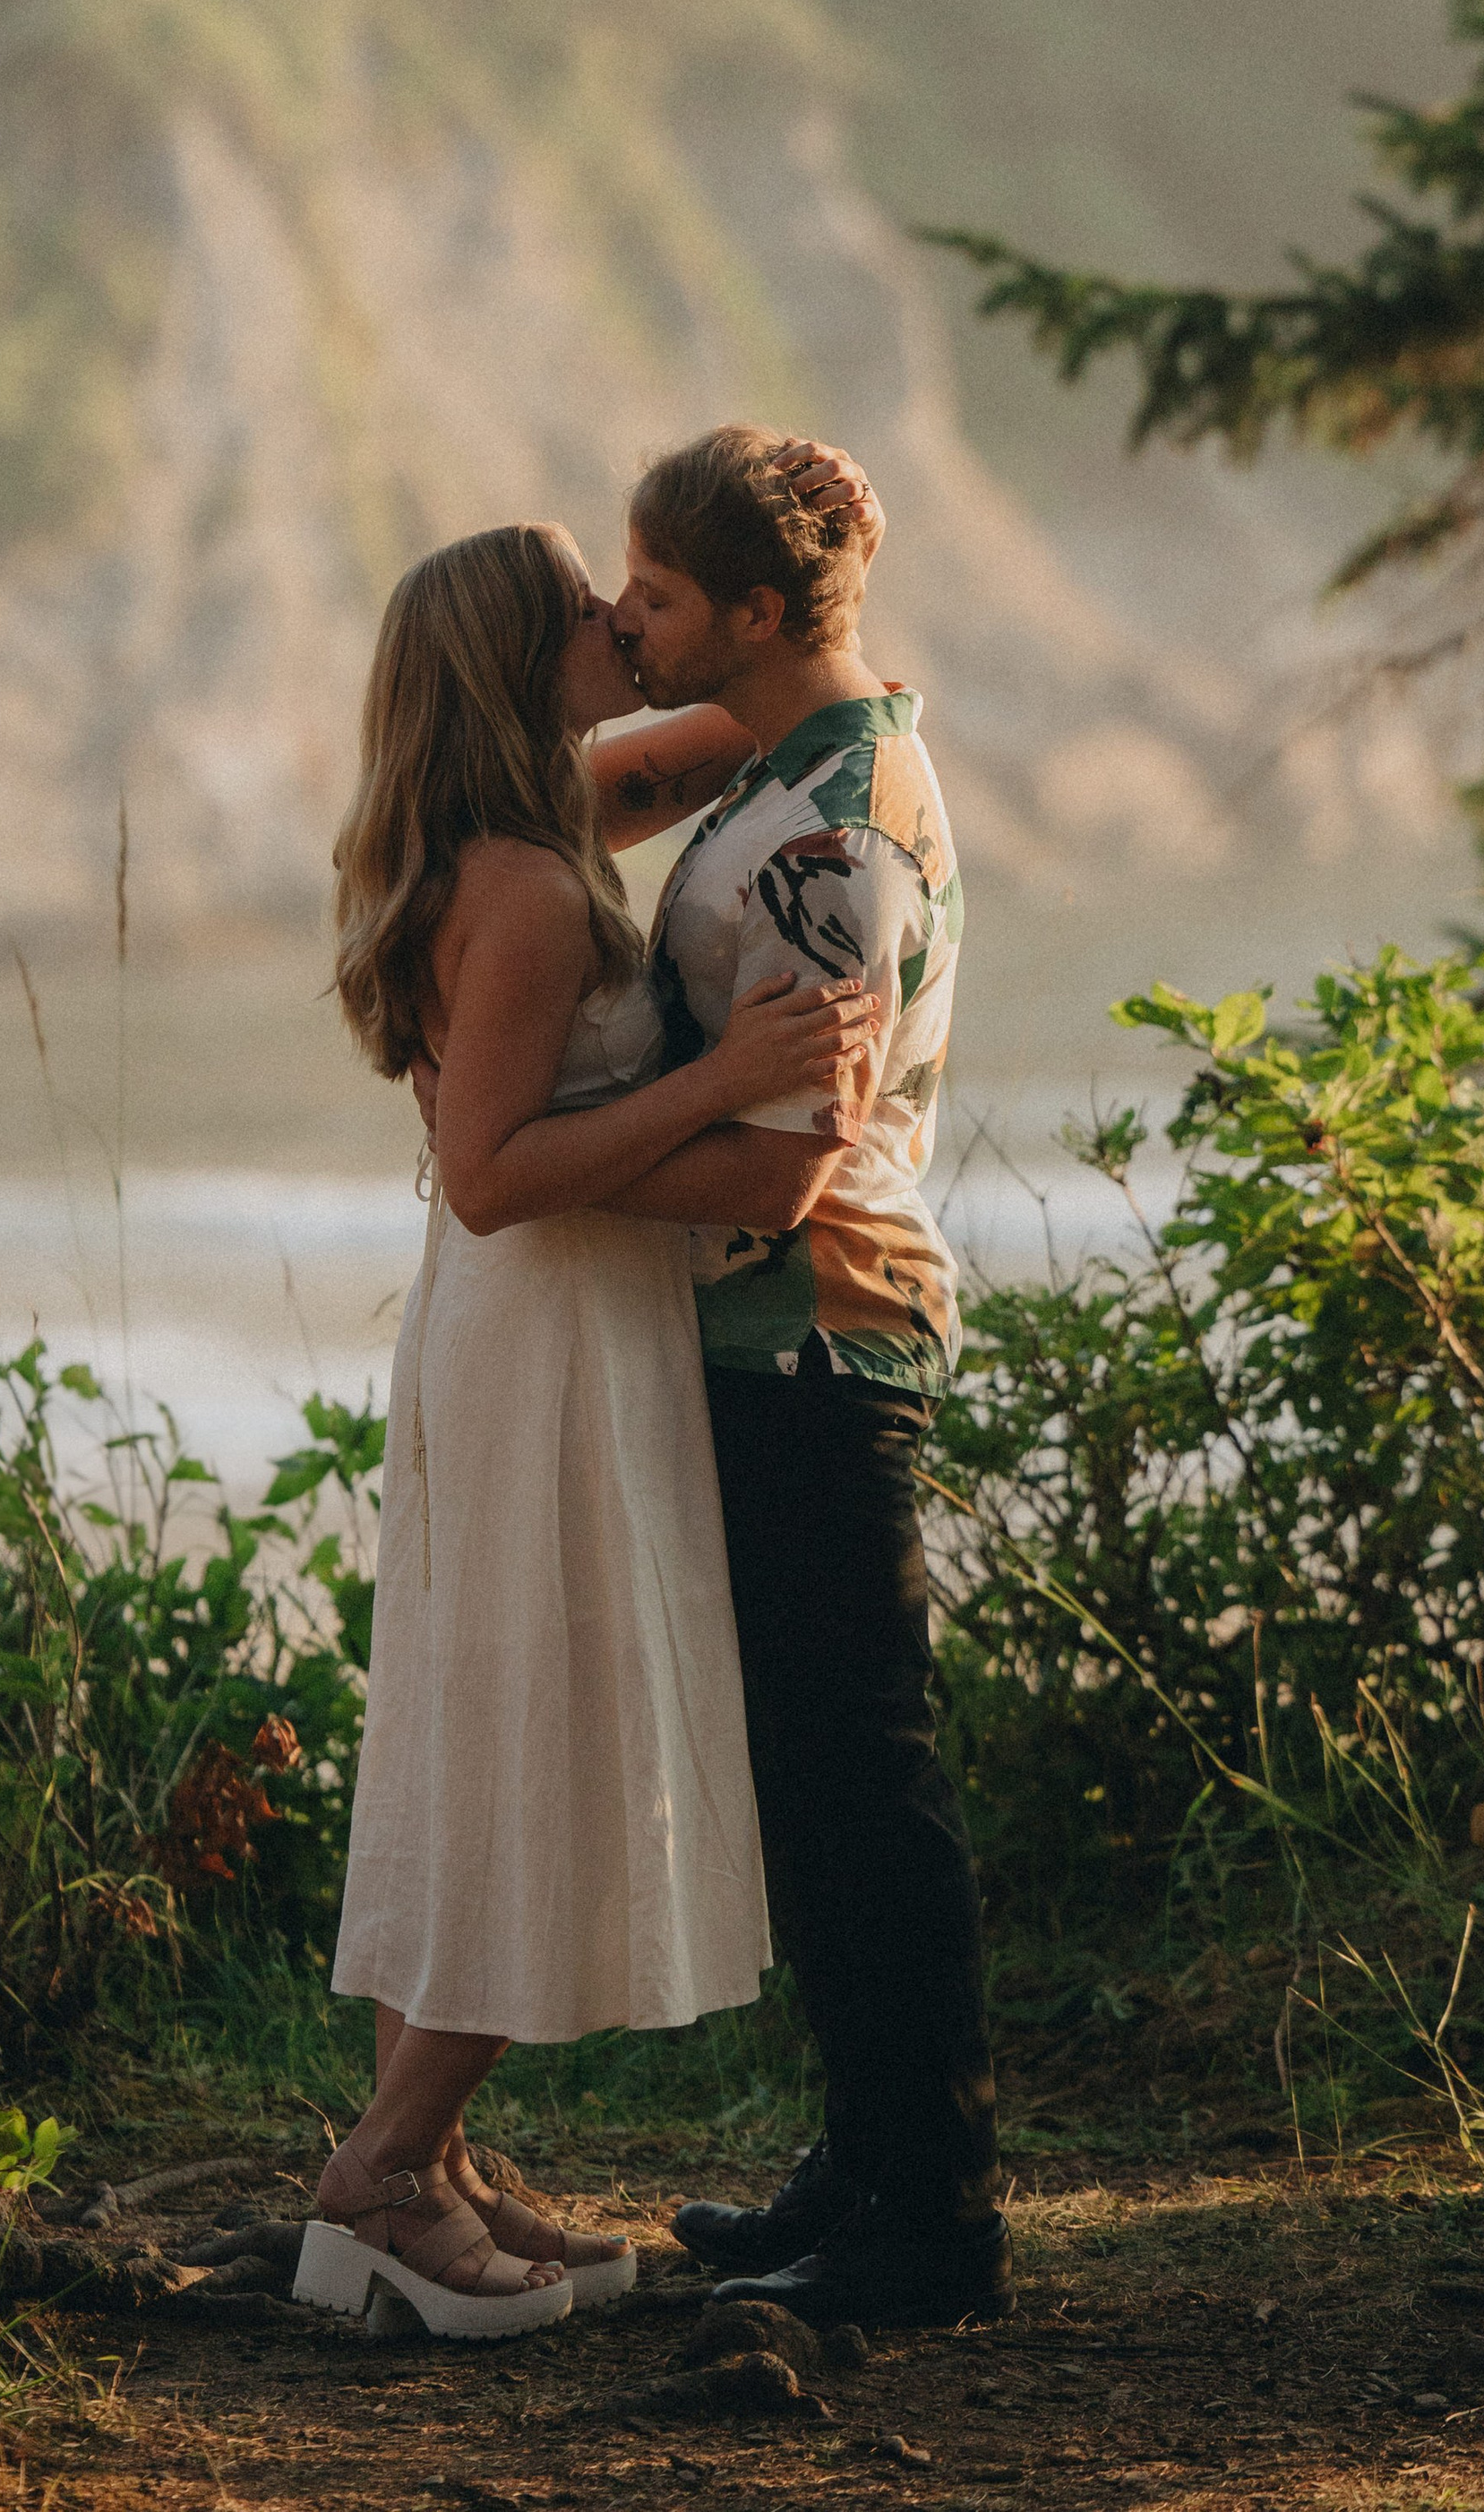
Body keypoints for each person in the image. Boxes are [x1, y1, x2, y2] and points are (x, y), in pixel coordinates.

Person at [297, 507, 879, 2342]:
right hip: (541, 1332)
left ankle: (432, 2171)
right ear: (506, 658)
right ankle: (383, 2171)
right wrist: (731, 1083)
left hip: (522, 1340)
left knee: (476, 1734)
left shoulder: (503, 830)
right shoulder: (534, 893)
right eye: (581, 610)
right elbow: (483, 1175)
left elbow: (744, 729)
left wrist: (784, 634)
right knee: (532, 1746)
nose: (615, 623)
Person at [599, 425, 1009, 2332]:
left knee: (860, 1775)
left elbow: (777, 1168)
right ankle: (861, 2166)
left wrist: (530, 1166)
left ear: (757, 610)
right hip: (773, 1335)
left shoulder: (830, 839)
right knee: (820, 1772)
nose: (630, 614)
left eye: (660, 595)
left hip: (818, 1331)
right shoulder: (792, 755)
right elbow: (546, 786)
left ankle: (928, 2220)